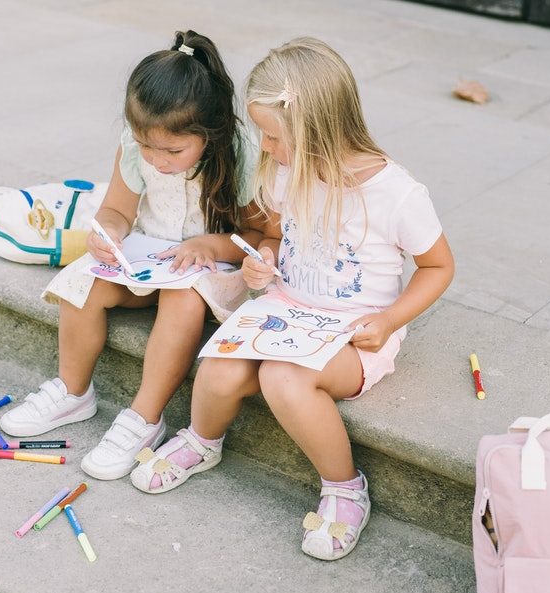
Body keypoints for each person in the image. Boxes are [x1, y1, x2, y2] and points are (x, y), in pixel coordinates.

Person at [129, 37, 455, 561]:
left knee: (282, 377)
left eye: (272, 136)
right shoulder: (286, 172)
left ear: (319, 130)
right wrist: (264, 258)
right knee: (221, 364)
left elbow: (439, 266)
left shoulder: (398, 195)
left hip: (354, 332)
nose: (265, 147)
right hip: (286, 308)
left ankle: (345, 487)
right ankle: (201, 440)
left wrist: (391, 319)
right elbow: (278, 235)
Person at [0, 30, 263, 482]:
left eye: (173, 151)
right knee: (84, 279)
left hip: (212, 269)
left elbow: (257, 234)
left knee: (181, 300)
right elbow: (118, 210)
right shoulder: (136, 144)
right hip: (150, 257)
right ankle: (73, 390)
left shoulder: (239, 155)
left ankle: (144, 417)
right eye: (147, 147)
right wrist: (108, 234)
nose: (157, 160)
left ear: (209, 132)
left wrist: (209, 245)